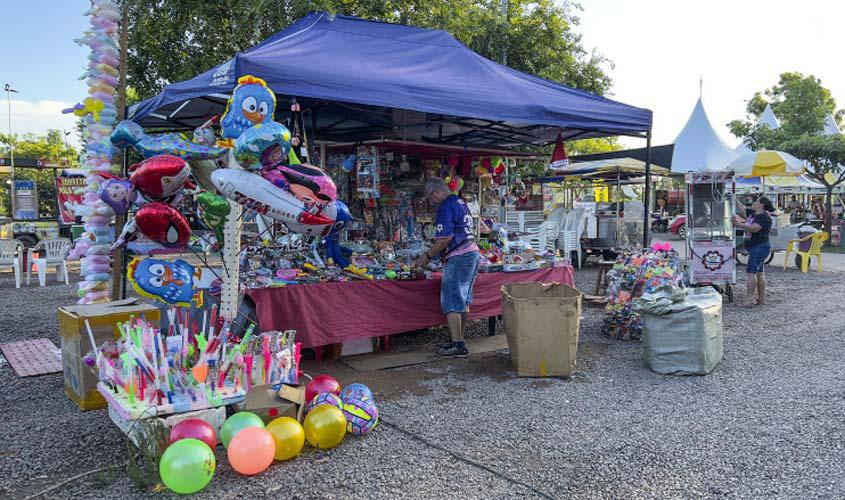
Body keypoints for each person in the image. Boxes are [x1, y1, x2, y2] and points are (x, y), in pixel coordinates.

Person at [419, 178, 481, 358]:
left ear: (437, 192)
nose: (432, 202)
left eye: (431, 198)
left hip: (459, 255)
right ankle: (458, 339)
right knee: (463, 300)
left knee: (452, 300)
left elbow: (444, 239)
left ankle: (457, 344)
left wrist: (427, 257)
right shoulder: (460, 202)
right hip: (472, 252)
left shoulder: (445, 206)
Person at [733, 195, 774, 307]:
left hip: (759, 247)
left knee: (751, 273)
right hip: (756, 247)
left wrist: (738, 224)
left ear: (762, 205)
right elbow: (742, 209)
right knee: (759, 273)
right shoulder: (753, 213)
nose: (754, 202)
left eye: (756, 201)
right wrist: (734, 198)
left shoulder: (764, 217)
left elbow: (754, 228)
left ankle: (750, 299)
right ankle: (761, 299)